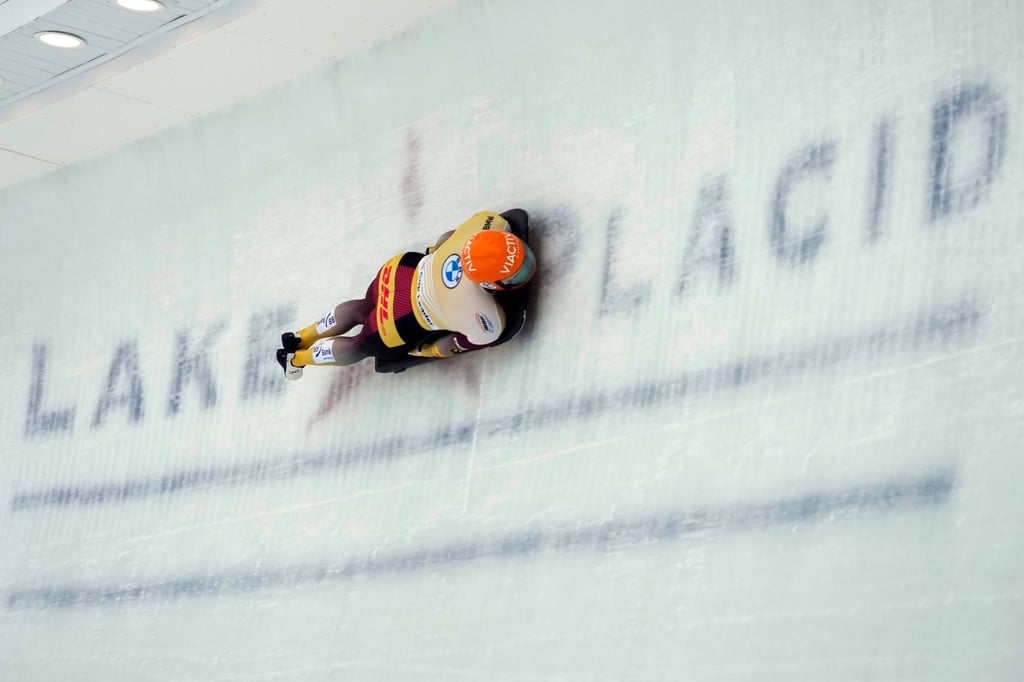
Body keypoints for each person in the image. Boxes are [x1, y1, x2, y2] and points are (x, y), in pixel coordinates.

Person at [277, 209, 536, 380]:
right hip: (398, 320)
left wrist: (434, 252)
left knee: (362, 307)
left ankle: (300, 336)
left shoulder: (487, 222)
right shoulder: (485, 318)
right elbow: (451, 346)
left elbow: (448, 238)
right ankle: (297, 359)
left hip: (401, 270)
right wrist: (422, 351)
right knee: (358, 347)